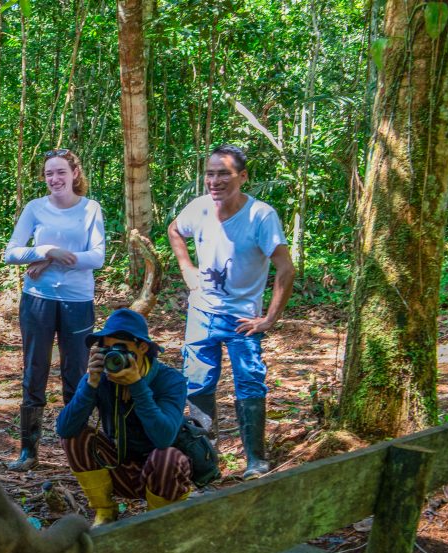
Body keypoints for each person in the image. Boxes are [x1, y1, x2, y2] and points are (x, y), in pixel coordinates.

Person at [168, 144, 294, 479]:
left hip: (242, 318)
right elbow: (175, 230)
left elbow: (285, 268)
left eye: (223, 173)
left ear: (242, 176)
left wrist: (269, 318)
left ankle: (255, 459)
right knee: (197, 384)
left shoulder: (260, 216)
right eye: (210, 173)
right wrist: (186, 268)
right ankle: (205, 460)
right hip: (201, 314)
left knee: (250, 383)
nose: (215, 180)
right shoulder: (199, 208)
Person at [3, 148, 106, 472]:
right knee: (35, 371)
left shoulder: (90, 209)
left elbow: (97, 257)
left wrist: (49, 259)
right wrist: (46, 249)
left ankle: (79, 450)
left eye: (61, 172)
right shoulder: (35, 209)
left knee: (76, 375)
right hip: (37, 300)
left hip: (78, 302)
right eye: (49, 173)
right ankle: (28, 451)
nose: (55, 179)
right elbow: (12, 253)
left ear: (75, 173)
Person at [56, 309, 190, 526]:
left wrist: (137, 386)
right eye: (107, 349)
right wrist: (90, 385)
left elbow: (164, 438)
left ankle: (157, 521)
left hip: (160, 473)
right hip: (117, 465)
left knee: (169, 457)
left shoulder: (169, 381)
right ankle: (105, 512)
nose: (113, 356)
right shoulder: (102, 377)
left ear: (142, 347)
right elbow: (64, 429)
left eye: (121, 349)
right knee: (75, 435)